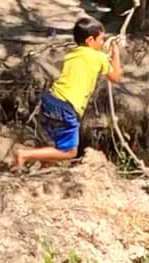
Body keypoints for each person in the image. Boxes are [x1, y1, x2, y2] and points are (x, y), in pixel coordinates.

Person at [11, 16, 123, 169]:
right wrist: (116, 52)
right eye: (101, 39)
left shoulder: (73, 53)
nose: (102, 43)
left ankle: (36, 167)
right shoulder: (97, 57)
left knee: (54, 147)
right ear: (91, 40)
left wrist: (106, 54)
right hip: (66, 107)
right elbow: (115, 76)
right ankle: (24, 154)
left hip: (51, 99)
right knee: (69, 152)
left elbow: (94, 60)